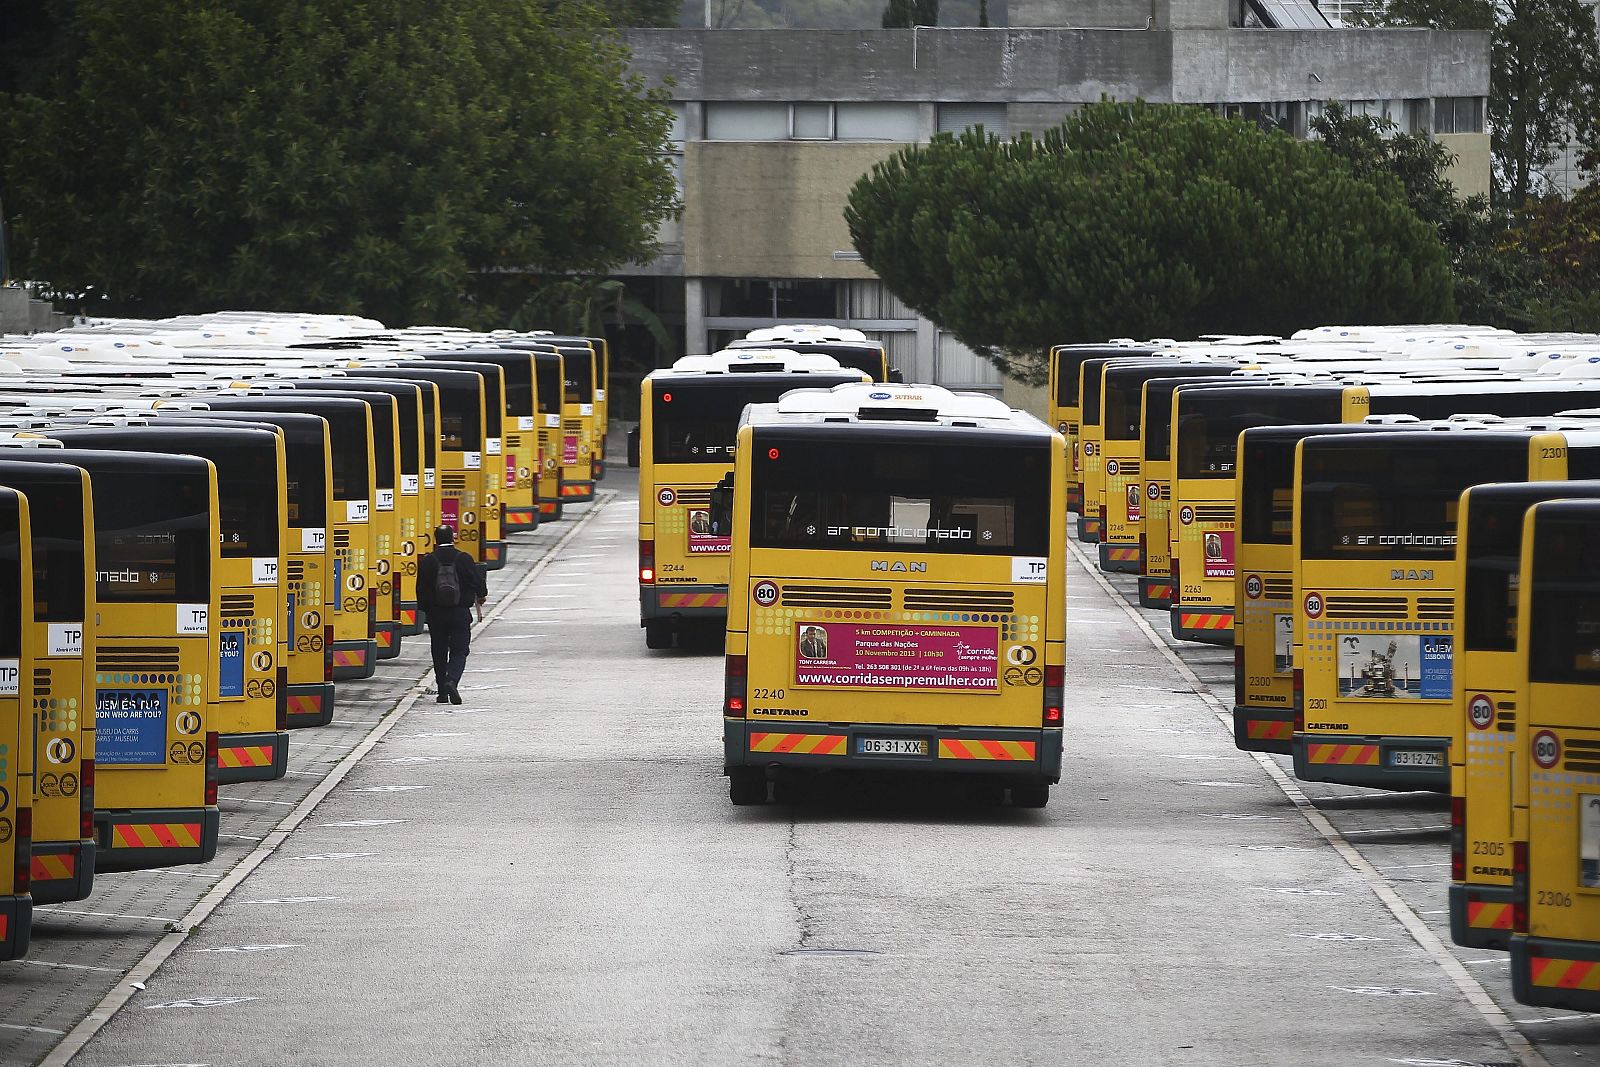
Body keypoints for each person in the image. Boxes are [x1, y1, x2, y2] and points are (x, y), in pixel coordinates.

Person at [417, 524, 487, 704]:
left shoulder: (428, 561)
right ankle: (452, 679)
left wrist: (427, 610)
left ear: (435, 540)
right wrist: (480, 595)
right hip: (460, 612)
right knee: (459, 650)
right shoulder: (464, 558)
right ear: (453, 538)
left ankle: (442, 692)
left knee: (438, 651)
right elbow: (477, 582)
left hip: (436, 614)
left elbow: (421, 590)